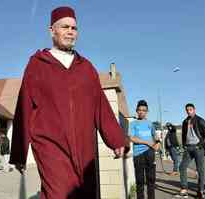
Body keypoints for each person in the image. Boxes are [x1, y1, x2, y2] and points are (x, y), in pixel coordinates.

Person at [9, 6, 126, 199]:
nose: (70, 32)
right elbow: (24, 108)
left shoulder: (86, 68)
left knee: (86, 193)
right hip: (51, 147)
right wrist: (19, 153)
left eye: (74, 28)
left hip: (85, 147)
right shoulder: (37, 65)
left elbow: (100, 105)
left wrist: (116, 139)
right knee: (59, 193)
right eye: (65, 27)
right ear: (51, 31)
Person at [176, 103, 205, 199]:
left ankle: (200, 191)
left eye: (190, 109)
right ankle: (184, 189)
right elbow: (183, 135)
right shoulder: (184, 122)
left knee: (200, 170)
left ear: (194, 110)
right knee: (182, 167)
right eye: (187, 110)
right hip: (188, 148)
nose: (188, 111)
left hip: (198, 148)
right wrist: (184, 145)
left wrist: (200, 145)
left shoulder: (200, 120)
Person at [129, 100, 160, 199]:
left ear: (147, 111)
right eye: (140, 110)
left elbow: (155, 137)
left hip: (150, 153)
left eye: (144, 110)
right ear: (137, 111)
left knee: (151, 180)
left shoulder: (150, 124)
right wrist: (147, 142)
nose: (142, 112)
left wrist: (158, 143)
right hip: (138, 154)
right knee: (140, 181)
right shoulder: (133, 124)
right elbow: (132, 138)